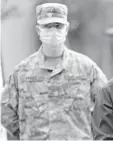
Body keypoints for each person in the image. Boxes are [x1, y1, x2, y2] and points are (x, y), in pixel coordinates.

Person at [1, 3, 107, 140]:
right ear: (38, 30)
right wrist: (26, 134)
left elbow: (107, 106)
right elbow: (5, 111)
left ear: (66, 28)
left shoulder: (86, 68)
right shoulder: (22, 72)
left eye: (58, 26)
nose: (53, 31)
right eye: (47, 26)